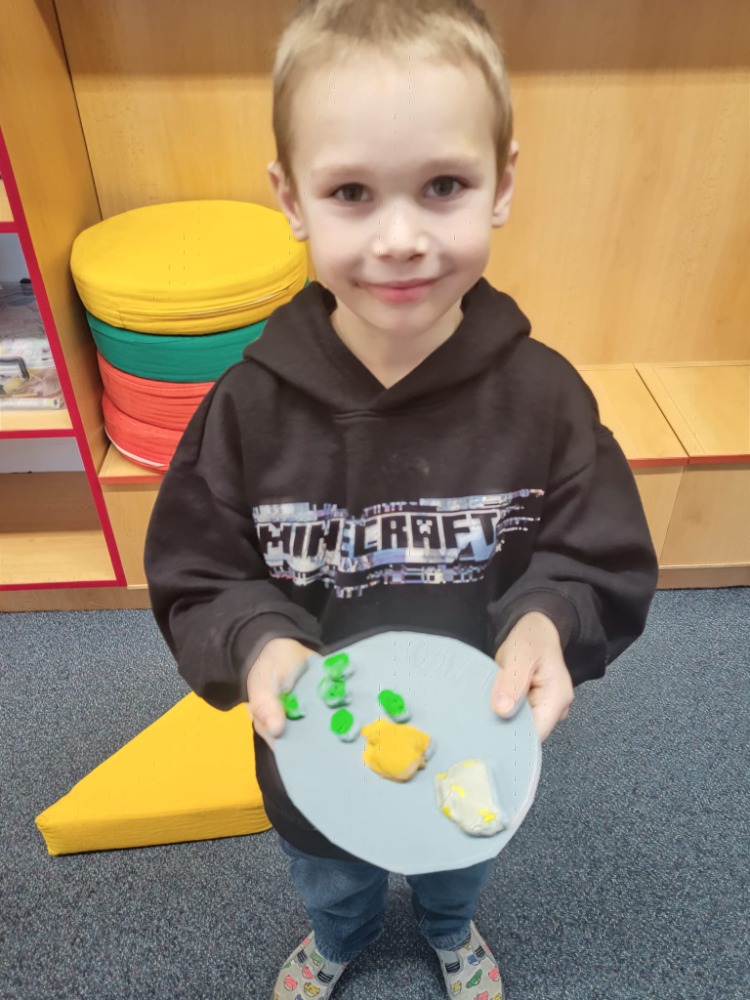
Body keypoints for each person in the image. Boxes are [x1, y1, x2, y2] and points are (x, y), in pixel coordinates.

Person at [144, 1, 659, 996]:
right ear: (291, 198)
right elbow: (197, 574)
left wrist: (550, 618)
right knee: (329, 873)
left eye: (443, 186)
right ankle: (338, 937)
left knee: (457, 861)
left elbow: (596, 553)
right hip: (312, 749)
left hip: (475, 737)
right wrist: (256, 638)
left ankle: (449, 929)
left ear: (502, 183)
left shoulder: (547, 398)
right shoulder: (246, 408)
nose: (400, 238)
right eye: (351, 192)